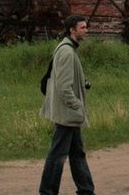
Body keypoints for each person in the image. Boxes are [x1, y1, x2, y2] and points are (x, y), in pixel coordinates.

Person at [39, 15, 95, 195]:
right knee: (57, 155)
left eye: (86, 27)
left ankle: (86, 190)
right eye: (83, 28)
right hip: (68, 113)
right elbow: (63, 87)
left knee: (77, 153)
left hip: (70, 113)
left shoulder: (69, 49)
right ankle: (47, 191)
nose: (86, 31)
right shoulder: (66, 51)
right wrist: (76, 106)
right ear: (72, 30)